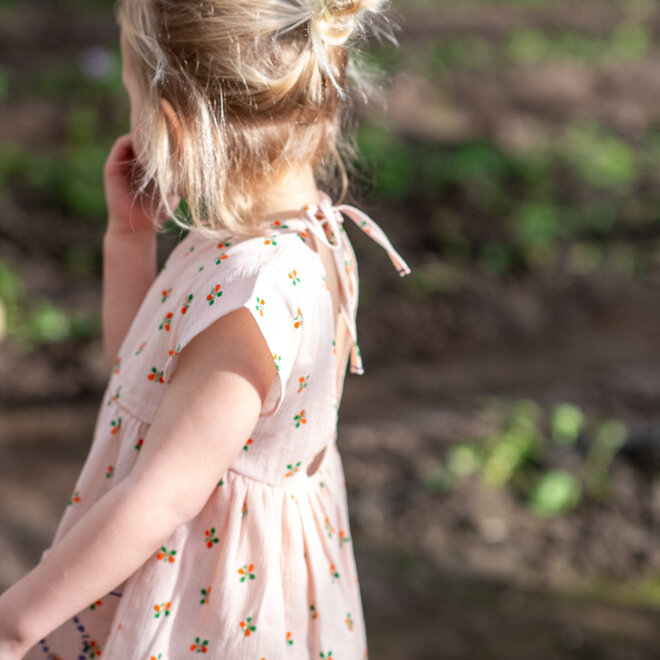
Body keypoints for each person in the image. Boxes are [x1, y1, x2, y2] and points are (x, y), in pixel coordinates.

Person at [0, 0, 410, 657]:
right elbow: (145, 377)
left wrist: (15, 622)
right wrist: (129, 240)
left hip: (205, 619)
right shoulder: (285, 235)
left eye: (131, 94)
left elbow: (160, 494)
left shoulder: (254, 294)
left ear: (171, 123)